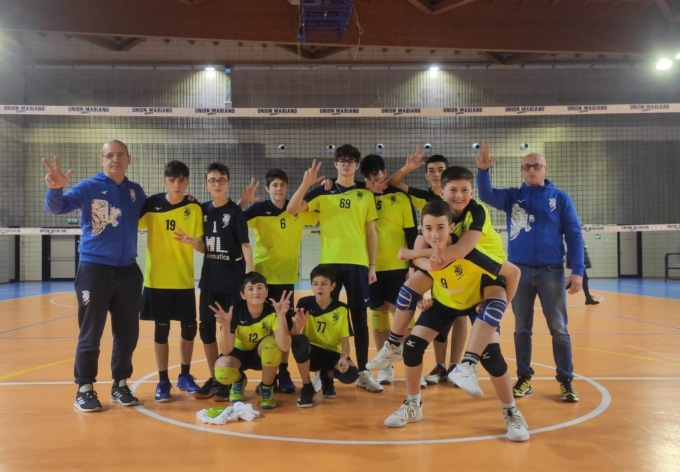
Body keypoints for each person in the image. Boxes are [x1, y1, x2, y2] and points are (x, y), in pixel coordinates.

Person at [383, 200, 529, 442]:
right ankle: (413, 404)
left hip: (475, 301)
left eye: (440, 228)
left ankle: (511, 412)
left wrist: (504, 305)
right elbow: (419, 274)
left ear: (451, 228)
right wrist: (423, 295)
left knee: (491, 356)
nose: (434, 234)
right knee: (412, 347)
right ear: (423, 230)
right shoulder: (428, 255)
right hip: (444, 302)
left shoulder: (468, 251)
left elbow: (513, 272)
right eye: (428, 229)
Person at [43, 140, 146, 412]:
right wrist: (55, 189)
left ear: (129, 159)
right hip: (94, 270)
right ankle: (85, 387)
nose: (115, 159)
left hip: (128, 270)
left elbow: (158, 211)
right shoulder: (89, 187)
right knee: (91, 332)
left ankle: (120, 384)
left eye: (120, 155)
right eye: (109, 155)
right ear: (102, 160)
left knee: (127, 333)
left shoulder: (136, 192)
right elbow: (57, 207)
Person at [476, 142, 583, 402]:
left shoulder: (560, 198)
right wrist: (483, 171)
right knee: (522, 328)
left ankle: (566, 380)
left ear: (546, 168)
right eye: (526, 167)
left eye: (536, 166)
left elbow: (574, 234)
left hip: (551, 271)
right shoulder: (512, 197)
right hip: (519, 272)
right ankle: (524, 377)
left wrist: (577, 270)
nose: (532, 170)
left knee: (559, 329)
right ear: (521, 170)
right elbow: (487, 195)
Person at [287, 145, 382, 393]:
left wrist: (372, 265)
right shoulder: (323, 192)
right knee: (325, 316)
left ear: (357, 165)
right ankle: (322, 369)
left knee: (359, 318)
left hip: (358, 263)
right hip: (329, 263)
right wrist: (307, 184)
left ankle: (363, 371)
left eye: (351, 161)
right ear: (335, 164)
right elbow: (292, 209)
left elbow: (371, 233)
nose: (346, 164)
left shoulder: (365, 195)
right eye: (342, 160)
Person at [241, 168, 319, 394]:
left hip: (286, 278)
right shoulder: (258, 210)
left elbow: (321, 209)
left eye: (282, 185)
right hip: (263, 281)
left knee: (284, 327)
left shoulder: (297, 209)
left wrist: (325, 187)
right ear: (267, 189)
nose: (279, 189)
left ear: (287, 188)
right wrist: (243, 202)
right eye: (274, 185)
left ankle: (283, 371)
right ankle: (269, 376)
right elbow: (234, 220)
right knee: (266, 328)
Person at [388, 149, 461, 385]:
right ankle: (440, 366)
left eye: (441, 170)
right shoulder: (424, 198)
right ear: (427, 176)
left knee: (460, 315)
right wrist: (408, 168)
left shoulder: (458, 199)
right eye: (431, 171)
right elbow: (393, 182)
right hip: (431, 264)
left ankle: (456, 367)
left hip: (456, 262)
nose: (436, 174)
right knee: (438, 312)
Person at [139, 160, 204, 402]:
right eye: (172, 180)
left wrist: (192, 242)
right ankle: (163, 380)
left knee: (189, 329)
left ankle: (184, 376)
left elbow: (203, 246)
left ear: (187, 182)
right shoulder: (151, 205)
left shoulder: (194, 208)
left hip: (183, 280)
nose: (177, 184)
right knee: (161, 330)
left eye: (181, 180)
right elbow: (130, 222)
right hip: (156, 280)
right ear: (164, 181)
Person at [192, 162, 253, 402]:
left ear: (228, 183)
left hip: (232, 283)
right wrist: (191, 242)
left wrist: (249, 277)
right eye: (212, 180)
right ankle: (216, 377)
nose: (217, 184)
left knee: (229, 333)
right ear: (206, 184)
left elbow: (245, 245)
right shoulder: (202, 210)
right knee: (206, 331)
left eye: (221, 180)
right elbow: (204, 248)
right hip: (209, 281)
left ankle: (230, 378)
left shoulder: (236, 213)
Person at [359, 154, 418, 385]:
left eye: (378, 174)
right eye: (370, 177)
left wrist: (412, 265)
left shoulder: (401, 197)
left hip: (398, 265)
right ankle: (385, 367)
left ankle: (413, 366)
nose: (376, 179)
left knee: (402, 314)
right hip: (371, 266)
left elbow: (412, 232)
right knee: (377, 311)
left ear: (385, 172)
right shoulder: (361, 196)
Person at [210, 272, 293, 409]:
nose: (256, 292)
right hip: (239, 354)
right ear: (243, 295)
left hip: (262, 355)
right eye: (251, 288)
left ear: (267, 292)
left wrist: (281, 316)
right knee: (222, 371)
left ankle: (266, 388)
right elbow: (225, 350)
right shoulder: (235, 313)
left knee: (272, 346)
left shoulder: (274, 311)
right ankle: (238, 381)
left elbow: (285, 346)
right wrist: (225, 325)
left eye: (260, 287)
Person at [290, 265, 359, 407]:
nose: (319, 287)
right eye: (315, 284)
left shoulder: (341, 309)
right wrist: (299, 326)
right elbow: (293, 335)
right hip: (311, 352)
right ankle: (307, 386)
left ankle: (326, 375)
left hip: (332, 354)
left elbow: (345, 342)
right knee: (299, 342)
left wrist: (344, 358)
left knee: (351, 374)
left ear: (332, 286)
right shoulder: (304, 303)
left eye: (324, 284)